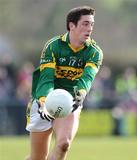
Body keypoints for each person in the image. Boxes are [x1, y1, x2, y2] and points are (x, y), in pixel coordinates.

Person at [25, 6, 103, 160]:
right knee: (37, 158)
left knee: (63, 144)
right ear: (71, 25)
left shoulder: (95, 52)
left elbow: (87, 77)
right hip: (44, 100)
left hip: (70, 101)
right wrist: (43, 102)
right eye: (85, 24)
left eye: (92, 24)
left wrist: (81, 93)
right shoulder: (53, 46)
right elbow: (46, 78)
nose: (90, 28)